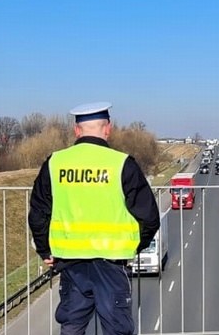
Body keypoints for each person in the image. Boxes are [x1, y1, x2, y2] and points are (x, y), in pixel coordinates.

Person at [28, 102, 161, 335]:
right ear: (107, 128)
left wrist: (44, 249)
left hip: (70, 263)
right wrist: (132, 246)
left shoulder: (55, 162)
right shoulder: (121, 164)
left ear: (76, 130)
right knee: (116, 328)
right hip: (111, 262)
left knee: (71, 326)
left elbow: (38, 211)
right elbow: (149, 217)